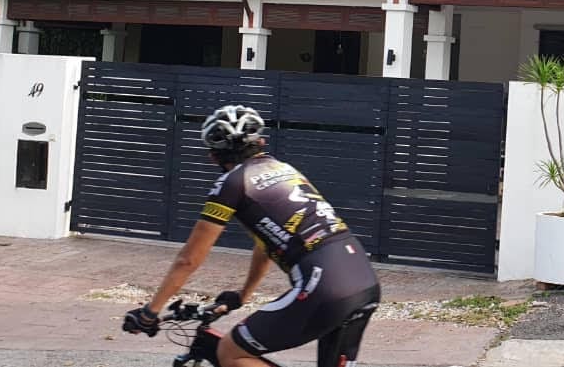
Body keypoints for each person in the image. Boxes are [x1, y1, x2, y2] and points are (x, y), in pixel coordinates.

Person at [122, 104, 381, 367]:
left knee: (230, 352)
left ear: (213, 156)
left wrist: (150, 312)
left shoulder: (232, 184)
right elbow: (265, 245)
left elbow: (188, 259)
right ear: (260, 142)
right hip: (364, 280)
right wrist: (243, 295)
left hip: (324, 285)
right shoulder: (284, 169)